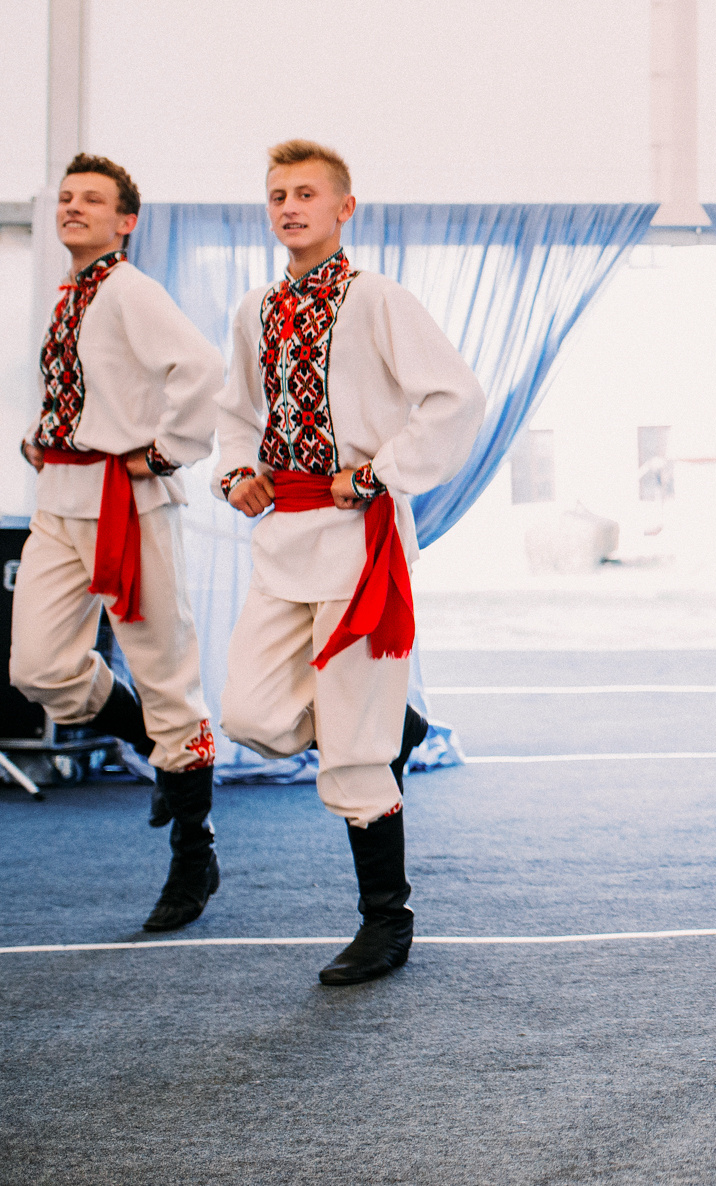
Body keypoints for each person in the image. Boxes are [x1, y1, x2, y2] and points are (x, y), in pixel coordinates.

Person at [215, 140, 485, 985]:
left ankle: (385, 921)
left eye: (306, 194)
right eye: (276, 196)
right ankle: (390, 725)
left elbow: (456, 398)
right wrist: (236, 473)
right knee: (252, 715)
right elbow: (235, 410)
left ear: (344, 209)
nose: (290, 207)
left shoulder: (378, 301)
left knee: (353, 760)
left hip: (360, 542)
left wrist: (378, 473)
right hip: (284, 539)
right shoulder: (255, 309)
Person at [10, 153, 225, 931]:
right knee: (37, 665)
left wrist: (163, 451)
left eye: (91, 201)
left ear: (124, 220)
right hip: (60, 496)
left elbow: (201, 369)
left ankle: (194, 856)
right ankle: (152, 745)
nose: (73, 208)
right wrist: (40, 438)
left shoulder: (131, 289)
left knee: (168, 668)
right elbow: (86, 388)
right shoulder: (69, 295)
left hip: (124, 501)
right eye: (66, 199)